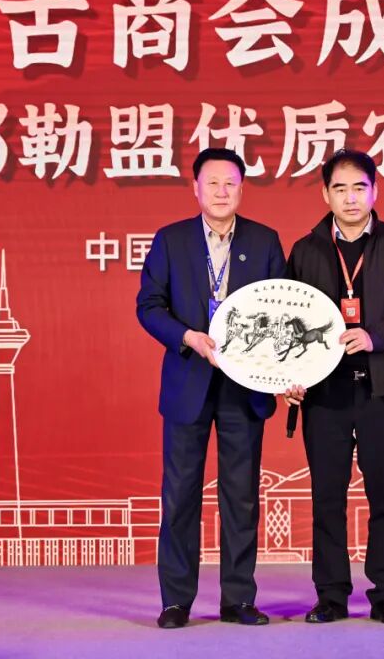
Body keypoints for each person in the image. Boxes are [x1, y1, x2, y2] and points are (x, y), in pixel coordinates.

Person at [137, 147, 285, 629]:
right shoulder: (171, 240)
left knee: (240, 495)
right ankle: (175, 601)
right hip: (189, 379)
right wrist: (187, 337)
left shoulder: (264, 240)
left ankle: (238, 599)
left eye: (230, 183)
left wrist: (282, 370)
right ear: (195, 189)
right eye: (212, 183)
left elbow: (282, 313)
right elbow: (149, 306)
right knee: (180, 494)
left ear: (242, 189)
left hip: (245, 385)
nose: (222, 192)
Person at [284, 149, 384, 625]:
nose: (350, 198)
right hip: (325, 393)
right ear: (325, 194)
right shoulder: (306, 250)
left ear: (375, 190)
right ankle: (330, 595)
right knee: (327, 497)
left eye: (359, 188)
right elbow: (287, 320)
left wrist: (374, 336)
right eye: (340, 188)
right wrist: (289, 376)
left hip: (383, 389)